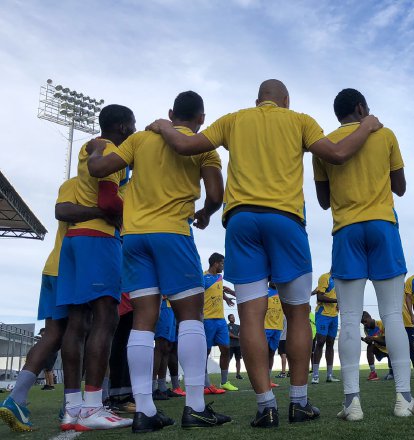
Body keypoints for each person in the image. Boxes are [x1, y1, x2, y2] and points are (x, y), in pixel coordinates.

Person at [148, 79, 383, 427]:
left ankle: (265, 406)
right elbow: (337, 153)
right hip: (285, 220)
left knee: (252, 317)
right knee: (299, 314)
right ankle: (300, 402)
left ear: (256, 101)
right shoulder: (299, 120)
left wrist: (165, 125)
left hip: (242, 222)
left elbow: (184, 145)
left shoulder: (235, 119)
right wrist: (367, 125)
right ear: (286, 101)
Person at [86, 92, 230, 432]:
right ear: (201, 118)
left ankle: (144, 411)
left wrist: (94, 150)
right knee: (190, 318)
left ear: (170, 112)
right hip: (173, 235)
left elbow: (99, 169)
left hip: (134, 238)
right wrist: (206, 214)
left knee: (143, 322)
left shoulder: (139, 139)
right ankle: (194, 406)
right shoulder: (203, 145)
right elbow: (215, 195)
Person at [313, 88, 414, 421]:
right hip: (383, 226)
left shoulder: (325, 144)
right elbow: (400, 187)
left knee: (348, 318)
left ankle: (352, 404)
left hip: (346, 230)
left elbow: (323, 200)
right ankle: (403, 399)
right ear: (361, 107)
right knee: (391, 316)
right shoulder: (384, 134)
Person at [0, 178, 114, 432]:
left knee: (54, 335)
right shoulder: (92, 187)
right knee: (82, 330)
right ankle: (72, 406)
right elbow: (62, 211)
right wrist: (103, 212)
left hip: (54, 266)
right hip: (73, 266)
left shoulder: (78, 185)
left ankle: (17, 397)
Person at [57, 104, 134, 431]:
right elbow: (107, 201)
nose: (134, 128)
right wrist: (132, 211)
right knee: (105, 319)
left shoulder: (91, 145)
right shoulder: (111, 150)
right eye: (132, 123)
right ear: (120, 126)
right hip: (99, 239)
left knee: (78, 322)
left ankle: (72, 408)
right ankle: (92, 405)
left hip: (74, 240)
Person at [202, 253, 237, 393]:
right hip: (207, 320)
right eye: (222, 263)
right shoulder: (203, 277)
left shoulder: (219, 278)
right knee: (206, 351)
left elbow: (218, 289)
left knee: (226, 349)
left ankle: (224, 382)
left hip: (220, 320)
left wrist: (226, 298)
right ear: (215, 263)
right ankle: (205, 383)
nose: (223, 266)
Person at [311, 272, 339, 384]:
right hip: (323, 314)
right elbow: (320, 296)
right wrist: (337, 301)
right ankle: (315, 375)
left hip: (334, 315)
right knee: (320, 342)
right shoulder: (325, 277)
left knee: (331, 343)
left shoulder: (340, 279)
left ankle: (329, 375)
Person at [152, 298, 177, 401]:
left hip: (172, 306)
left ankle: (162, 387)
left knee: (167, 348)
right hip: (163, 304)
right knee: (160, 345)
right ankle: (152, 388)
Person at [361, 312, 393, 383]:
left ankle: (392, 372)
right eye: (362, 323)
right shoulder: (366, 328)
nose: (364, 324)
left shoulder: (381, 323)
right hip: (379, 349)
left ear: (370, 317)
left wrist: (372, 338)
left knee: (391, 348)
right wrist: (366, 340)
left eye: (365, 321)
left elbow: (386, 342)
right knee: (369, 346)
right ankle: (373, 373)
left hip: (389, 348)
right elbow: (371, 341)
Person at [265, 284, 285, 388]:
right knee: (262, 354)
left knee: (271, 353)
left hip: (278, 328)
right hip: (265, 327)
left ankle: (268, 380)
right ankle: (260, 380)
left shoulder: (282, 292)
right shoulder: (264, 291)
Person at [402, 290, 414, 379]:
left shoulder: (407, 290)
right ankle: (393, 372)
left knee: (411, 347)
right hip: (394, 324)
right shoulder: (390, 289)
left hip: (408, 323)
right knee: (393, 348)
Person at [227, 314, 243, 380]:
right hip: (230, 346)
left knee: (238, 360)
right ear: (229, 319)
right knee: (228, 360)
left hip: (238, 346)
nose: (233, 319)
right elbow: (229, 334)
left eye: (233, 317)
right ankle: (225, 374)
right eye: (231, 318)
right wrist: (238, 337)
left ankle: (238, 374)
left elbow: (242, 332)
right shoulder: (227, 326)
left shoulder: (238, 326)